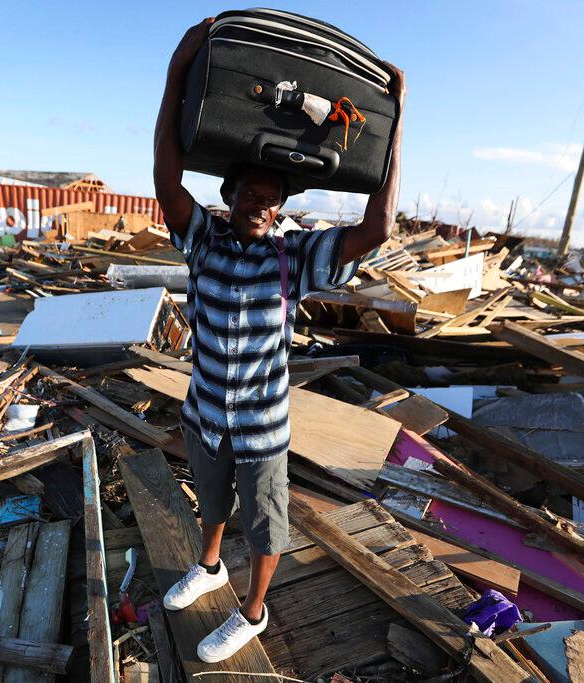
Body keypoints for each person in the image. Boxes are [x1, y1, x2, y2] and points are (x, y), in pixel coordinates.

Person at [152, 17, 406, 663]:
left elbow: (377, 227)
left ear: (281, 204)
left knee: (266, 522)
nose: (257, 202)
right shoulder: (203, 243)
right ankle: (209, 567)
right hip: (206, 413)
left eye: (269, 196)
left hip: (263, 425)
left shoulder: (299, 258)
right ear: (229, 197)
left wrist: (395, 122)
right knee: (210, 502)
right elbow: (166, 178)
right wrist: (178, 73)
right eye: (247, 193)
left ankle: (254, 611)